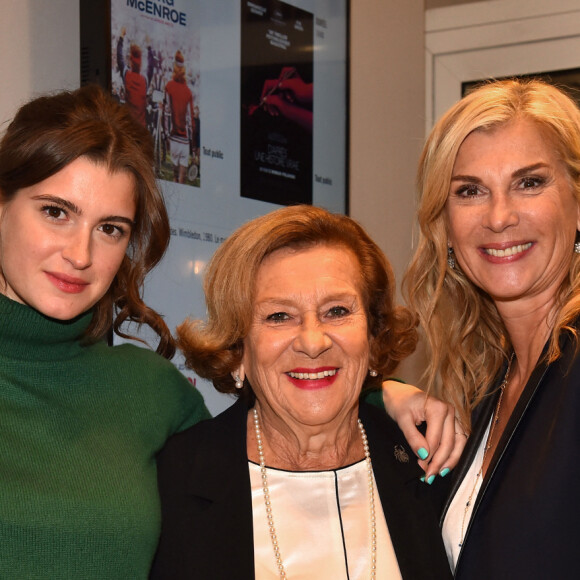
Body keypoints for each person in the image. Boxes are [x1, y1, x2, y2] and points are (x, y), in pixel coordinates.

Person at [150, 205, 452, 579]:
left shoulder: (433, 464)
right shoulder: (171, 484)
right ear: (238, 348)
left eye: (337, 311)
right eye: (279, 316)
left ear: (374, 338)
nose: (312, 341)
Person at [0, 84, 209, 578]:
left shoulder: (152, 391)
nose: (81, 254)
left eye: (110, 228)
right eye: (56, 212)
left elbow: (282, 471)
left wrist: (382, 401)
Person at [383, 78, 580, 578]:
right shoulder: (489, 384)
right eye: (470, 191)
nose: (499, 217)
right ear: (444, 226)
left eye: (530, 182)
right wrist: (379, 394)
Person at [163, 50, 195, 184]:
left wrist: (165, 135)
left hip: (173, 138)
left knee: (174, 179)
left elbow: (166, 113)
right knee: (182, 182)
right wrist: (192, 144)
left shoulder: (169, 86)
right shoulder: (188, 91)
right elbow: (191, 120)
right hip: (184, 140)